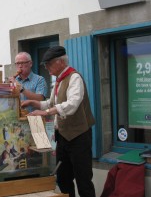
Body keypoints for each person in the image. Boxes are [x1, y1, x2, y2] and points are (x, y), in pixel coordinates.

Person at [21, 46, 96, 197]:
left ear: (60, 62)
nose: (46, 67)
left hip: (79, 136)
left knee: (83, 181)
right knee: (62, 178)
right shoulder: (59, 81)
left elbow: (72, 104)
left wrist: (46, 112)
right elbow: (50, 103)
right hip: (63, 137)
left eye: (48, 63)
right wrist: (32, 103)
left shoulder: (75, 77)